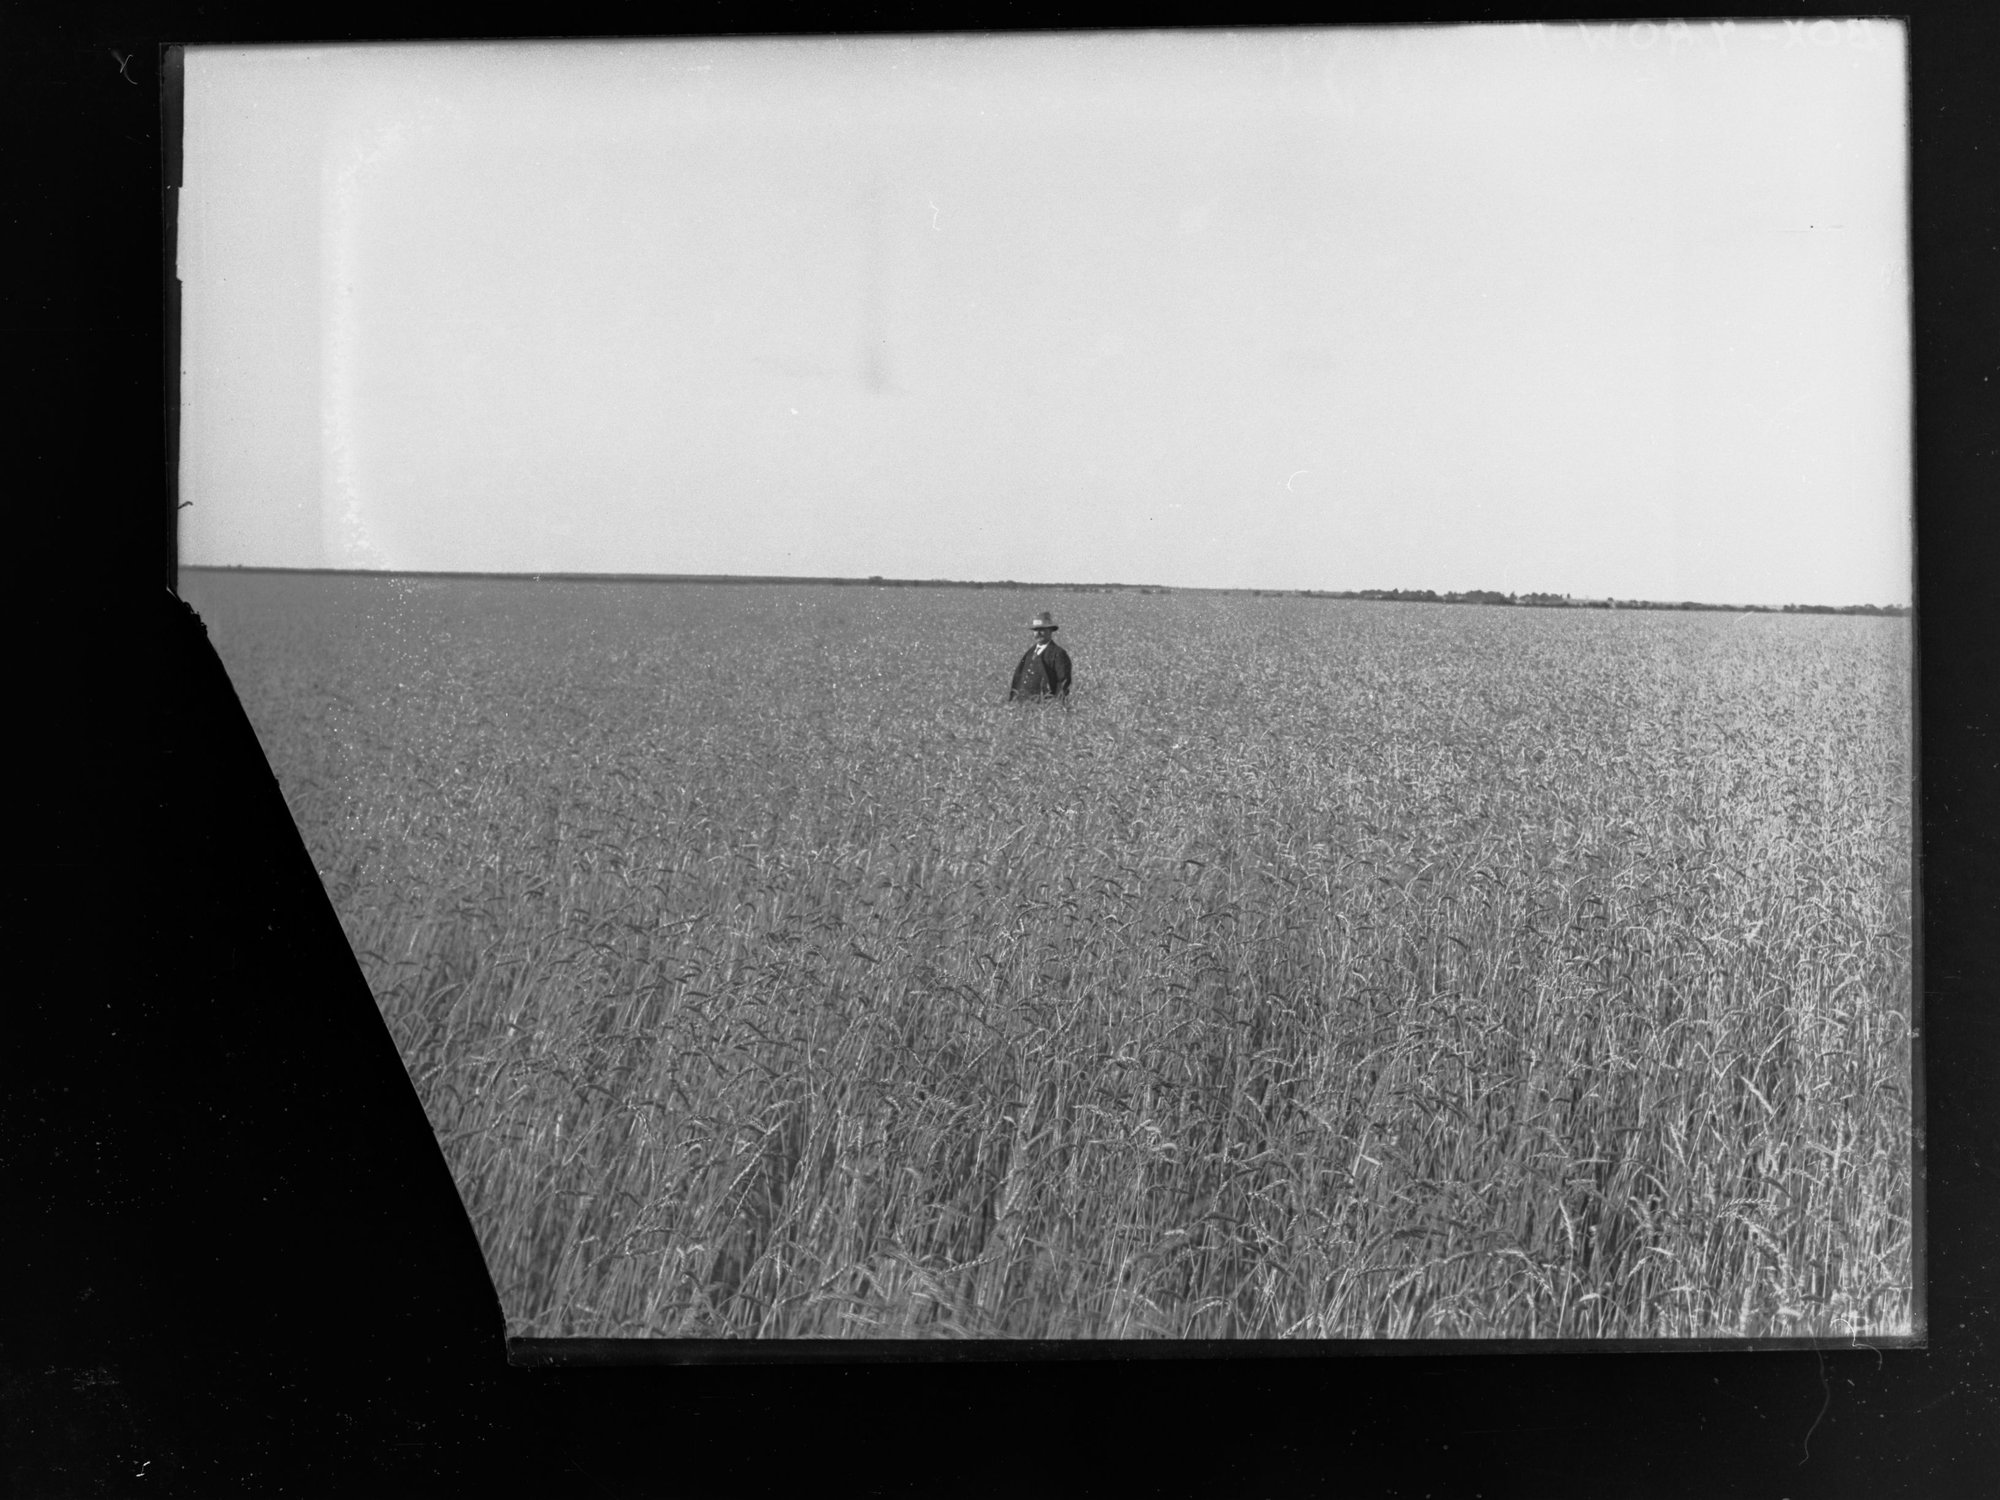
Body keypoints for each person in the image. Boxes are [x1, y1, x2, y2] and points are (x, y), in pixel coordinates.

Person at [1008, 612, 1073, 701]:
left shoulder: (1058, 653)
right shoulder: (1030, 653)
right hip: (1023, 706)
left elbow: (1063, 682)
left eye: (1041, 630)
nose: (1038, 633)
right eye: (1035, 630)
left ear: (1050, 630)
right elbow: (1018, 679)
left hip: (1044, 707)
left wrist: (1056, 706)